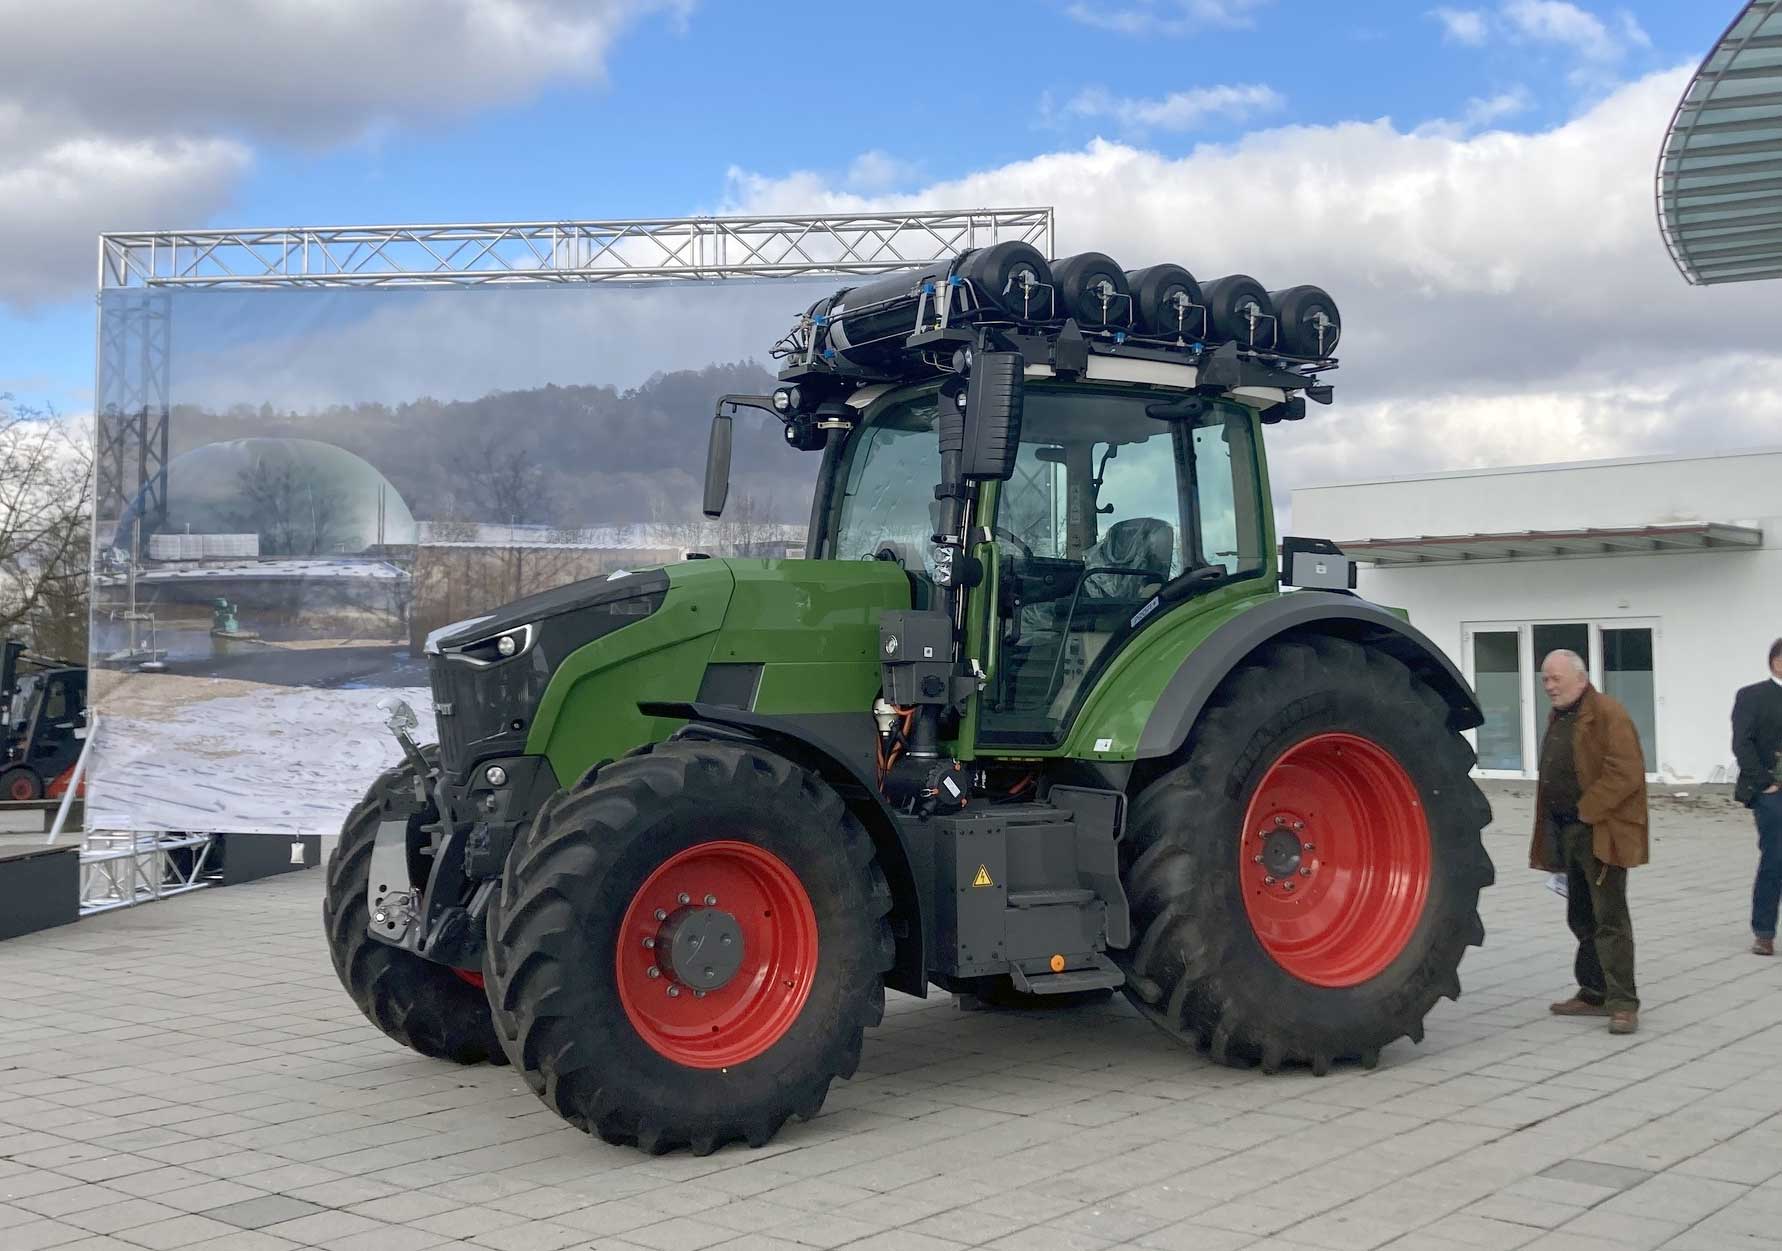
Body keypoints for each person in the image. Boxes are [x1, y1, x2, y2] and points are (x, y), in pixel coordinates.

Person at [1528, 649, 1649, 1035]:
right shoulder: (1563, 714)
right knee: (1580, 915)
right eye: (1545, 679)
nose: (1548, 686)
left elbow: (1626, 772)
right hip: (1567, 832)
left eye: (1555, 679)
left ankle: (1623, 1004)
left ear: (1580, 679)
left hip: (1601, 832)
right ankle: (1593, 992)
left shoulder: (1608, 713)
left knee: (1609, 918)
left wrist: (1586, 809)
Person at [1733, 638, 1782, 956]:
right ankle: (1764, 931)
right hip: (1770, 792)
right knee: (1775, 858)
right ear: (1775, 661)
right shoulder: (1752, 696)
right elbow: (1742, 743)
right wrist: (1765, 782)